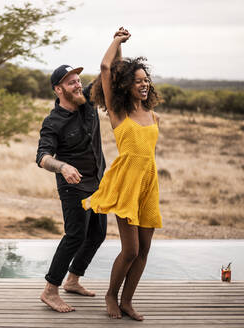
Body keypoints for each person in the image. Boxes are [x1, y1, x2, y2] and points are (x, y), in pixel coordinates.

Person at [82, 27, 164, 321]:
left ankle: (127, 301)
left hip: (148, 183)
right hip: (126, 183)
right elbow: (107, 68)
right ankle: (110, 295)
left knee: (143, 251)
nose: (143, 85)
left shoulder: (152, 114)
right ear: (126, 86)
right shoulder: (119, 114)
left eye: (146, 80)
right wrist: (117, 41)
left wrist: (124, 56)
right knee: (129, 250)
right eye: (137, 81)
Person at [35, 62, 108, 312]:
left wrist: (116, 42)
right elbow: (43, 157)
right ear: (58, 89)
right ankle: (50, 290)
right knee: (75, 235)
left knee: (97, 234)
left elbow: (108, 71)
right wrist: (63, 167)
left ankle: (73, 280)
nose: (78, 85)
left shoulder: (86, 100)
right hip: (73, 187)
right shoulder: (53, 122)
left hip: (98, 183)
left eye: (78, 80)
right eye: (71, 82)